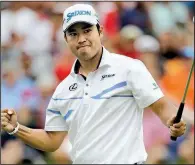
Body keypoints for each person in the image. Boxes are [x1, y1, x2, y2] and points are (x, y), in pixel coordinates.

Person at [1, 4, 187, 164]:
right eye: (73, 33)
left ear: (100, 31)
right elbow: (52, 140)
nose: (81, 39)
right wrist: (17, 128)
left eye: (87, 30)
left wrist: (172, 120)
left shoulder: (130, 68)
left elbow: (161, 106)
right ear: (66, 39)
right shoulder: (63, 89)